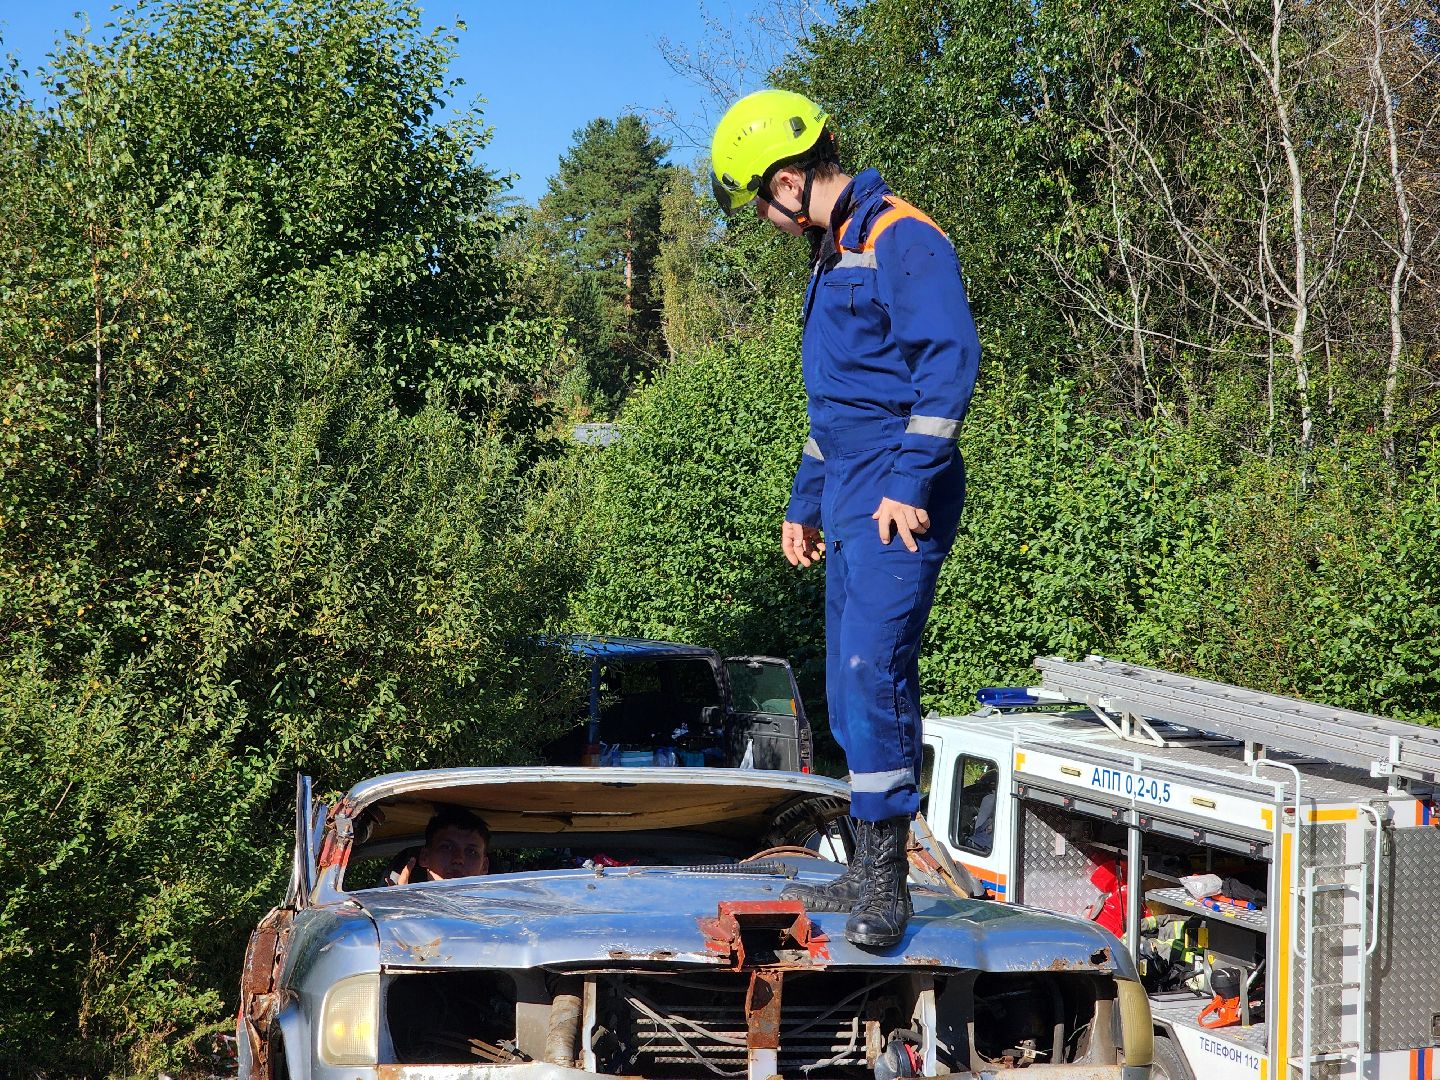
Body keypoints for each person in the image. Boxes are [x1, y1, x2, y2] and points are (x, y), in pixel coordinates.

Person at [710, 90, 980, 947]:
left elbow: (949, 363)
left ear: (788, 180)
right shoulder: (836, 256)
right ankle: (866, 862)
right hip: (854, 489)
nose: (763, 217)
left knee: (874, 671)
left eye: (760, 199)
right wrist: (805, 502)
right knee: (842, 684)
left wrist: (908, 482)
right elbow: (840, 407)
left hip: (900, 498)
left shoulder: (899, 236)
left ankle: (884, 882)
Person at [388, 806, 491, 884]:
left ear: (484, 866)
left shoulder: (504, 910)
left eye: (471, 852)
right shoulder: (384, 908)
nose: (459, 859)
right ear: (425, 856)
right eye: (447, 848)